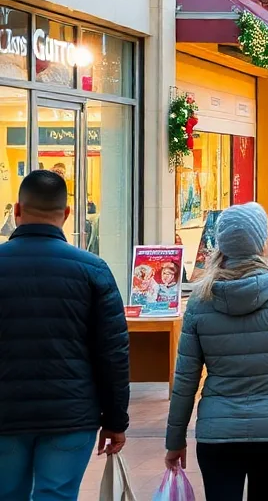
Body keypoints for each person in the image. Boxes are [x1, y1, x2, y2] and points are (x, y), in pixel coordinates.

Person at [164, 203, 268, 500]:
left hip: (218, 430)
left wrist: (174, 440)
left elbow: (185, 379)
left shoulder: (200, 298)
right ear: (261, 241)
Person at [0, 170, 129, 501]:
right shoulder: (92, 269)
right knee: (55, 494)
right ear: (67, 214)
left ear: (17, 210)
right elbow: (113, 353)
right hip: (71, 414)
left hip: (5, 414)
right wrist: (115, 420)